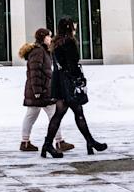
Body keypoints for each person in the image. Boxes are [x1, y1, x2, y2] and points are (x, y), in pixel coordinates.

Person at [41, 17, 108, 158]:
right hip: (68, 82)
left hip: (59, 81)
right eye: (73, 26)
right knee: (77, 112)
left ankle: (48, 144)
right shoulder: (69, 42)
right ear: (69, 27)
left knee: (61, 113)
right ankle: (90, 142)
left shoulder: (55, 42)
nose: (75, 28)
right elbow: (72, 63)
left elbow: (60, 63)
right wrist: (79, 78)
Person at [19, 28, 73, 155]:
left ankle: (25, 142)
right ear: (43, 38)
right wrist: (37, 91)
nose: (51, 38)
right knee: (53, 114)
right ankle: (59, 141)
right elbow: (35, 72)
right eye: (49, 36)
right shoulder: (38, 52)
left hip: (42, 90)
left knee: (33, 115)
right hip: (40, 91)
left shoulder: (44, 51)